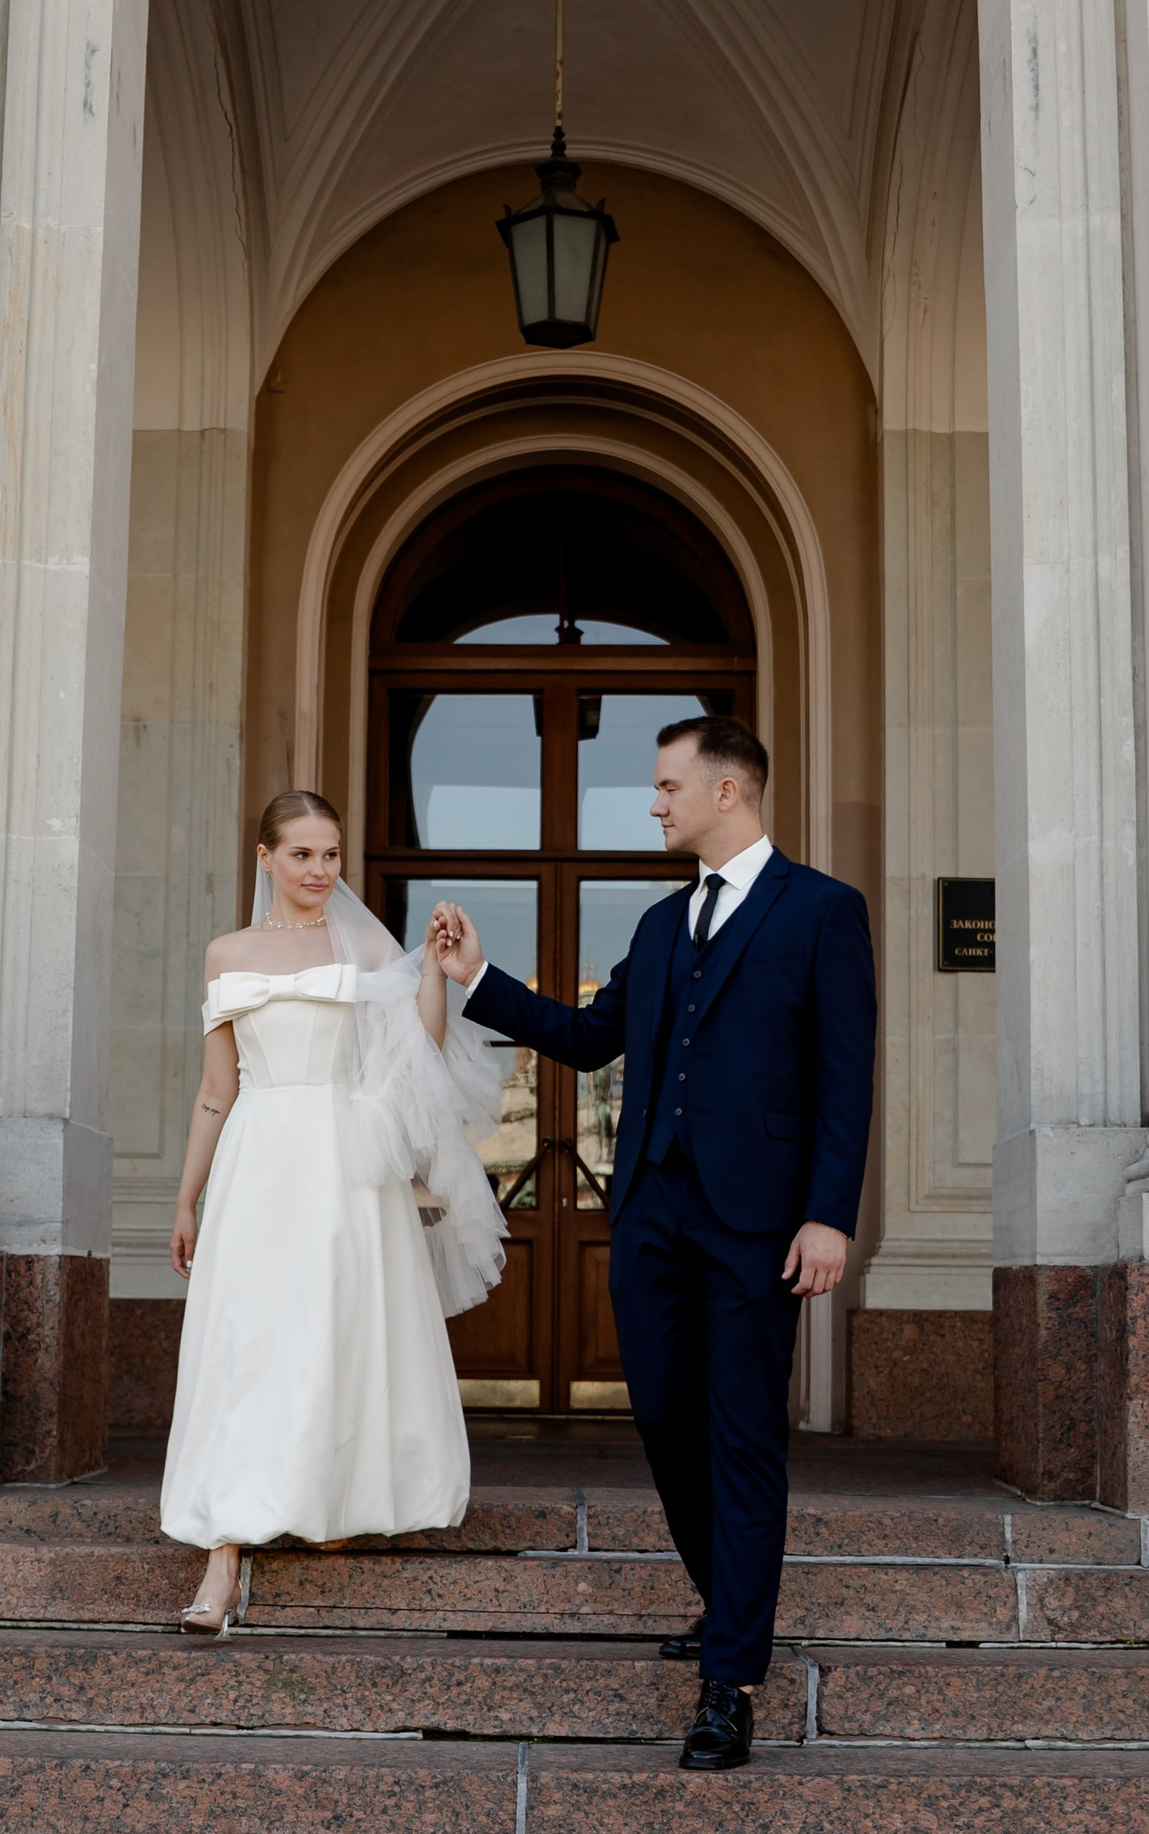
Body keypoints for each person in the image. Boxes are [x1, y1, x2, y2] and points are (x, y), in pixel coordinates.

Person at [431, 715, 875, 1770]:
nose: (654, 801)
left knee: (742, 1436)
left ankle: (730, 1679)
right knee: (666, 1415)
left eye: (669, 784)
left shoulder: (821, 910)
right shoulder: (662, 923)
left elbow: (844, 1076)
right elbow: (590, 1039)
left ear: (730, 790)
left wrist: (830, 1212)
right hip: (652, 1213)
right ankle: (729, 1597)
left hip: (763, 1221)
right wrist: (479, 979)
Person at [162, 789, 507, 1632]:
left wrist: (430, 968)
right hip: (256, 1157)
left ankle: (330, 1500)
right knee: (249, 1337)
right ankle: (225, 1550)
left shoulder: (362, 944)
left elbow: (416, 1052)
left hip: (346, 1160)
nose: (321, 870)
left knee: (336, 1329)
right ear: (265, 857)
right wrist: (187, 1194)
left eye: (332, 854)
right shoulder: (224, 953)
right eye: (303, 854)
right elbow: (217, 1089)